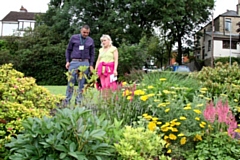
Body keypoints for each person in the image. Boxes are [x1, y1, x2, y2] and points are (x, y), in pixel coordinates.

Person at [65, 25, 95, 105]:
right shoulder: (74, 38)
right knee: (71, 82)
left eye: (87, 33)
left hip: (85, 62)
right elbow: (68, 50)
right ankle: (67, 101)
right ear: (81, 31)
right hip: (74, 62)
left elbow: (92, 54)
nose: (85, 34)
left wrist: (91, 65)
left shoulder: (90, 40)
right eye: (84, 32)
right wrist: (67, 61)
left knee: (81, 83)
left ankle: (78, 101)